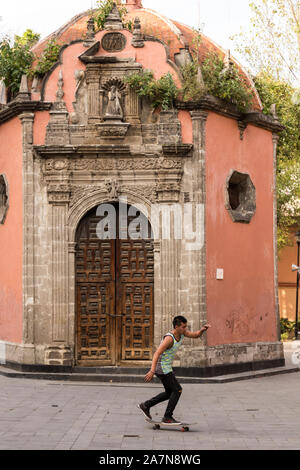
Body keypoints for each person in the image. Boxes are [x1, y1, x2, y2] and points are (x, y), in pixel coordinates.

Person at [138, 315, 211, 425]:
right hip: (161, 368)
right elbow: (157, 353)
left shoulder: (182, 333)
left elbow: (195, 335)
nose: (185, 329)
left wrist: (202, 330)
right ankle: (167, 417)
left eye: (186, 327)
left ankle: (146, 405)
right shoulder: (169, 338)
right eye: (183, 327)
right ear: (176, 327)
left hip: (166, 367)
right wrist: (152, 371)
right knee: (177, 390)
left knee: (169, 393)